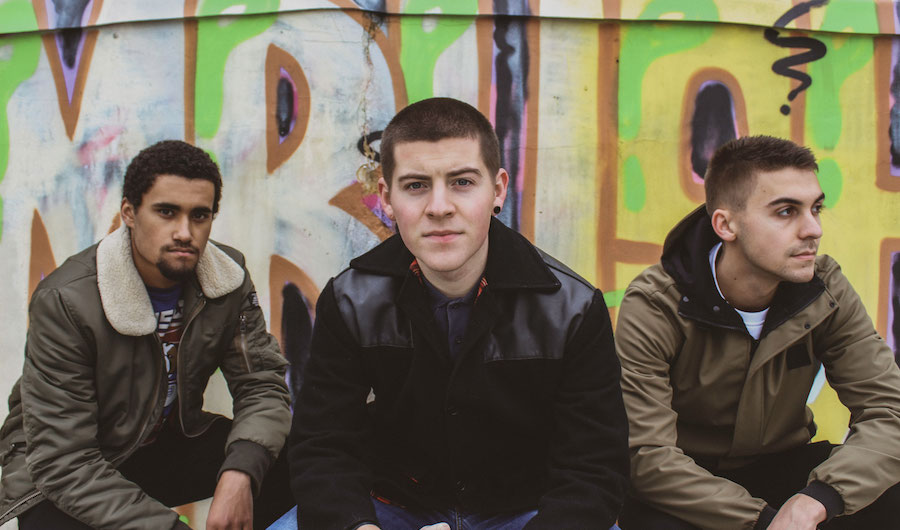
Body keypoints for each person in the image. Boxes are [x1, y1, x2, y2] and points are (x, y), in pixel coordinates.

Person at [276, 97, 629, 530]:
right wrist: (356, 526)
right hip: (393, 507)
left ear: (497, 190)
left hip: (526, 513)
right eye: (416, 185)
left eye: (462, 182)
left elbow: (594, 466)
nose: (439, 207)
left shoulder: (571, 307)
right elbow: (323, 445)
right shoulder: (352, 299)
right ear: (386, 198)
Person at [0, 140, 293, 529]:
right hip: (68, 469)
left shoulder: (226, 279)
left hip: (159, 446)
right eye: (166, 212)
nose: (184, 232)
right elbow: (63, 459)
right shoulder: (66, 300)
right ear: (129, 213)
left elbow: (261, 385)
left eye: (200, 215)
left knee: (288, 456)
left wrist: (240, 472)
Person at [615, 135, 900, 529]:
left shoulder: (825, 290)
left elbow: (890, 411)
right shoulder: (657, 304)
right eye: (786, 212)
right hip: (686, 488)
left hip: (788, 472)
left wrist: (818, 500)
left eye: (816, 208)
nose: (813, 229)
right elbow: (646, 455)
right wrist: (763, 522)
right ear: (725, 225)